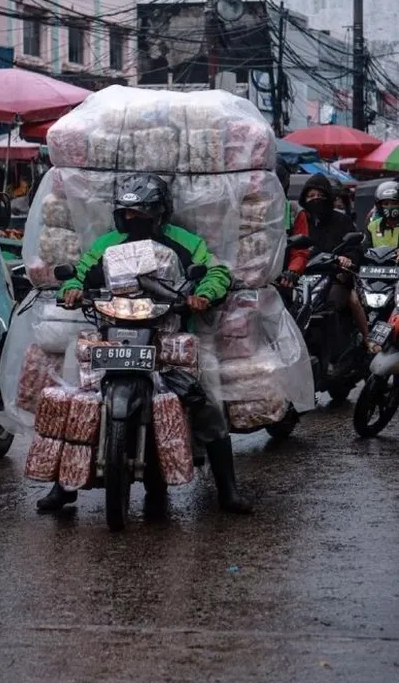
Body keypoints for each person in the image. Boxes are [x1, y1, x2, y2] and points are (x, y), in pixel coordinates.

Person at [37, 173, 252, 516]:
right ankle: (63, 487)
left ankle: (228, 489)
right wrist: (71, 291)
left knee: (206, 398)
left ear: (160, 214)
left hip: (169, 336)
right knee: (79, 398)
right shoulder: (105, 244)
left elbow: (216, 272)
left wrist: (203, 294)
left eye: (142, 214)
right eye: (128, 214)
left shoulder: (185, 242)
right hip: (114, 330)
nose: (134, 221)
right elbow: (79, 274)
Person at [284, 173, 368, 346]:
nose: (316, 199)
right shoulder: (300, 219)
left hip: (335, 277)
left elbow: (355, 249)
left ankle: (367, 341)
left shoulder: (341, 220)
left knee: (346, 301)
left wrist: (346, 259)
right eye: (311, 196)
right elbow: (293, 246)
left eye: (321, 196)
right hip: (301, 278)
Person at [364, 180, 399, 252]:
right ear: (380, 206)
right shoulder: (373, 226)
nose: (390, 207)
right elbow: (365, 249)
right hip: (377, 263)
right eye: (386, 204)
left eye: (394, 203)